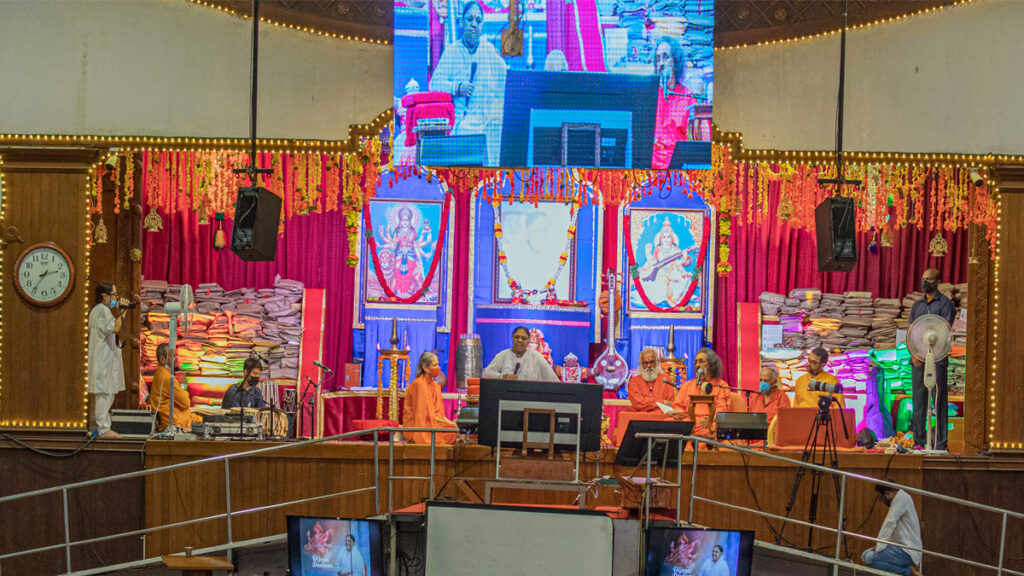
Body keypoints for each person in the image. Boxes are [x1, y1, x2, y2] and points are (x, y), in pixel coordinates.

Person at [428, 0, 508, 165]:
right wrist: (456, 87)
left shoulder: (488, 51)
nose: (474, 24)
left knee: (499, 132)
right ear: (462, 22)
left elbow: (504, 81)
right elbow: (434, 84)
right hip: (463, 118)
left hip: (488, 118)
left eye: (478, 21)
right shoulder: (452, 51)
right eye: (470, 19)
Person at [909, 268, 956, 451]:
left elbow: (944, 332)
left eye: (928, 279)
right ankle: (918, 443)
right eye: (923, 279)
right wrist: (915, 355)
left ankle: (940, 444)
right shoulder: (917, 306)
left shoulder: (945, 305)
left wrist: (930, 353)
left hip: (937, 359)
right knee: (918, 402)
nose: (925, 282)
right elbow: (912, 332)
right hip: (918, 360)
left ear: (937, 281)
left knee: (939, 403)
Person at [88, 282, 130, 439]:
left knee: (106, 394)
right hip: (103, 361)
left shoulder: (97, 311)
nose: (115, 298)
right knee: (104, 394)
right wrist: (122, 313)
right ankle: (103, 429)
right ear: (104, 296)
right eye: (113, 295)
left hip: (103, 359)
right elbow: (115, 328)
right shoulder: (102, 311)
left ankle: (99, 428)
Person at [652, 36, 700, 169]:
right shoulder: (650, 94)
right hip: (650, 164)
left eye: (665, 57)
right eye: (657, 58)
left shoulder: (687, 97)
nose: (661, 63)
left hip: (676, 165)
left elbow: (693, 144)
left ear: (675, 62)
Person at [862, 482, 922, 576]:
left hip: (908, 550)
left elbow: (889, 523)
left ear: (888, 493)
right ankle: (907, 569)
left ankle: (908, 572)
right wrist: (881, 546)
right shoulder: (898, 500)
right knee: (865, 555)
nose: (882, 501)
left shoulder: (902, 498)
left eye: (881, 498)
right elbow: (893, 530)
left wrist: (880, 547)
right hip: (899, 547)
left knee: (870, 558)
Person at [671, 348, 732, 436]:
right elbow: (677, 406)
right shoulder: (687, 385)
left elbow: (722, 410)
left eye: (701, 361)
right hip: (689, 424)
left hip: (708, 425)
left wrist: (712, 419)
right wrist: (684, 418)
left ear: (711, 365)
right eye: (696, 362)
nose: (697, 365)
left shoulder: (721, 386)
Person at [403, 352, 458, 444]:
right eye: (435, 365)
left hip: (433, 423)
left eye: (438, 364)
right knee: (431, 436)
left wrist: (452, 423)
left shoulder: (436, 386)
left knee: (452, 431)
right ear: (425, 368)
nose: (438, 368)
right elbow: (422, 416)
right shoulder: (419, 384)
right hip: (418, 425)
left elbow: (439, 415)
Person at [482, 326, 559, 382]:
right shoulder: (503, 355)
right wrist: (503, 376)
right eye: (517, 337)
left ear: (528, 341)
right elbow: (487, 374)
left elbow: (554, 380)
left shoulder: (536, 356)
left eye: (523, 338)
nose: (520, 340)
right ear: (512, 338)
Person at [148, 343, 193, 432]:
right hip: (176, 425)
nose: (176, 359)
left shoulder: (162, 374)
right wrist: (183, 386)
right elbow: (186, 402)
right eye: (172, 356)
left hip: (179, 421)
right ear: (162, 359)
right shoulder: (166, 378)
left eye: (175, 355)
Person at [626, 348, 676, 412]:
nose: (649, 366)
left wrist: (647, 403)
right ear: (640, 364)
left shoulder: (665, 379)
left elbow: (669, 404)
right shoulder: (634, 381)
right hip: (639, 419)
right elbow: (637, 403)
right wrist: (662, 402)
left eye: (652, 362)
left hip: (662, 418)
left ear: (657, 362)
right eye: (645, 363)